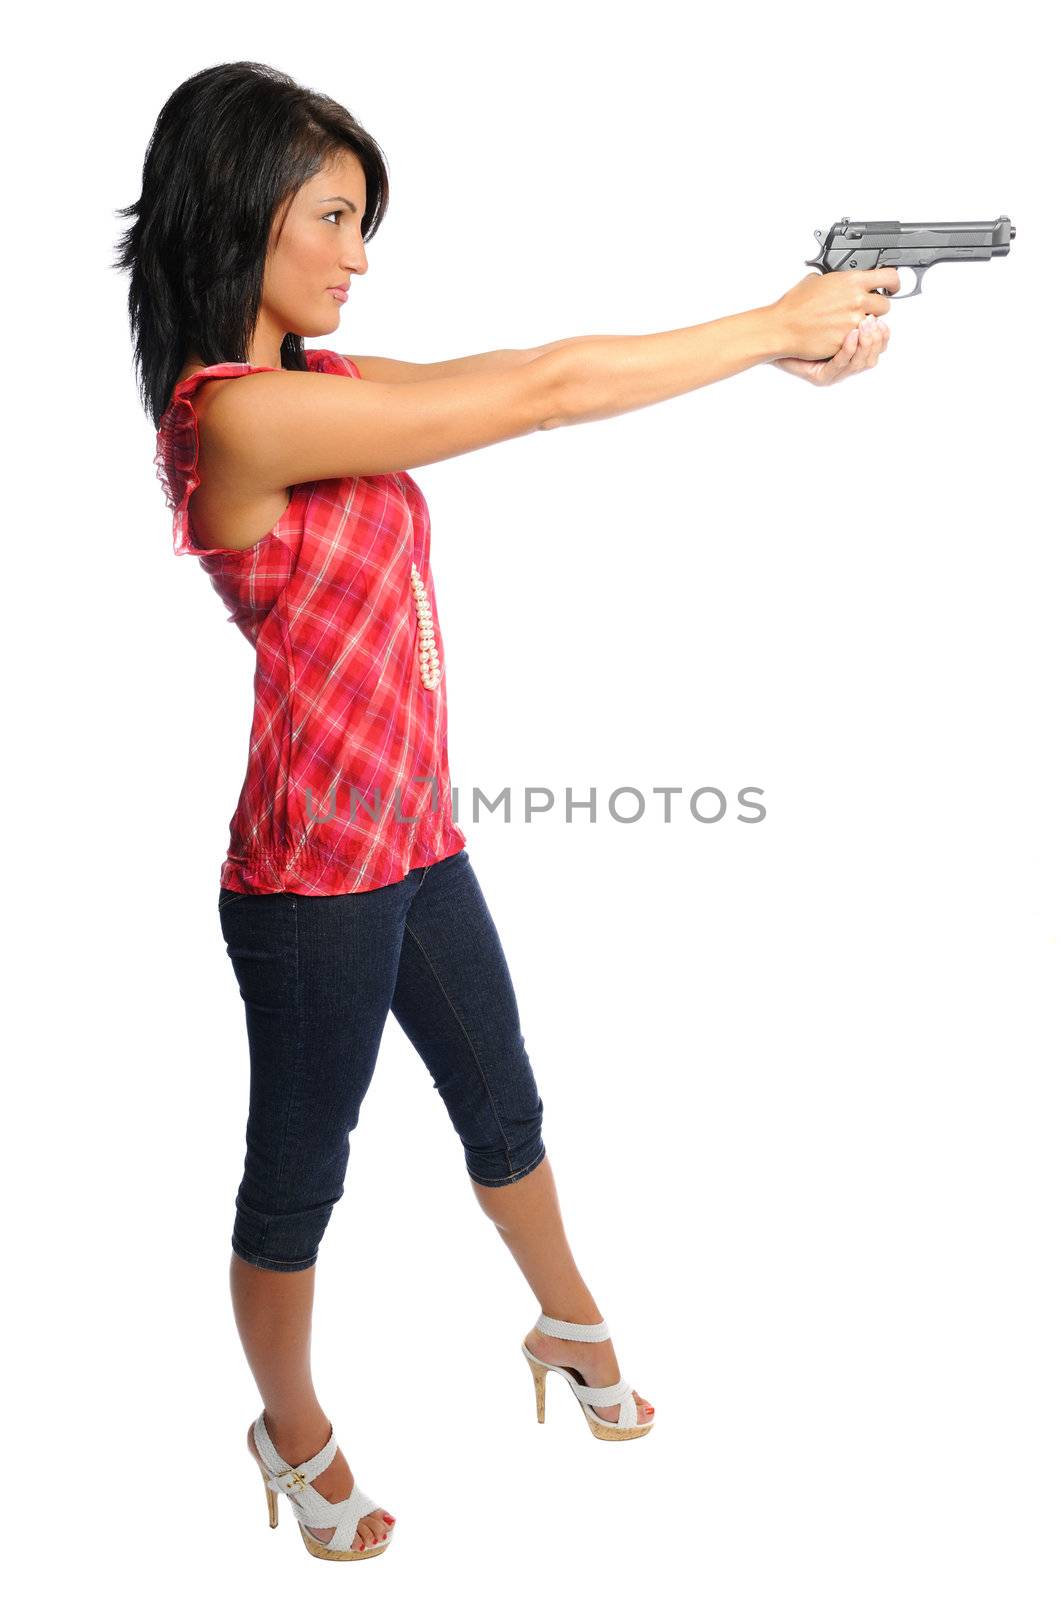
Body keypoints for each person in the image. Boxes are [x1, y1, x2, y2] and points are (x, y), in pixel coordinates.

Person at [115, 61, 896, 1562]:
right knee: (298, 1185)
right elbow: (537, 397)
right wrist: (768, 321)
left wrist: (766, 352)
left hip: (417, 847)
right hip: (313, 888)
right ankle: (291, 1435)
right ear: (241, 215)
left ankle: (571, 1326)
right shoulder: (235, 422)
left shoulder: (328, 391)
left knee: (507, 1110)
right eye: (335, 217)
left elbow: (538, 366)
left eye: (366, 222)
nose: (360, 253)